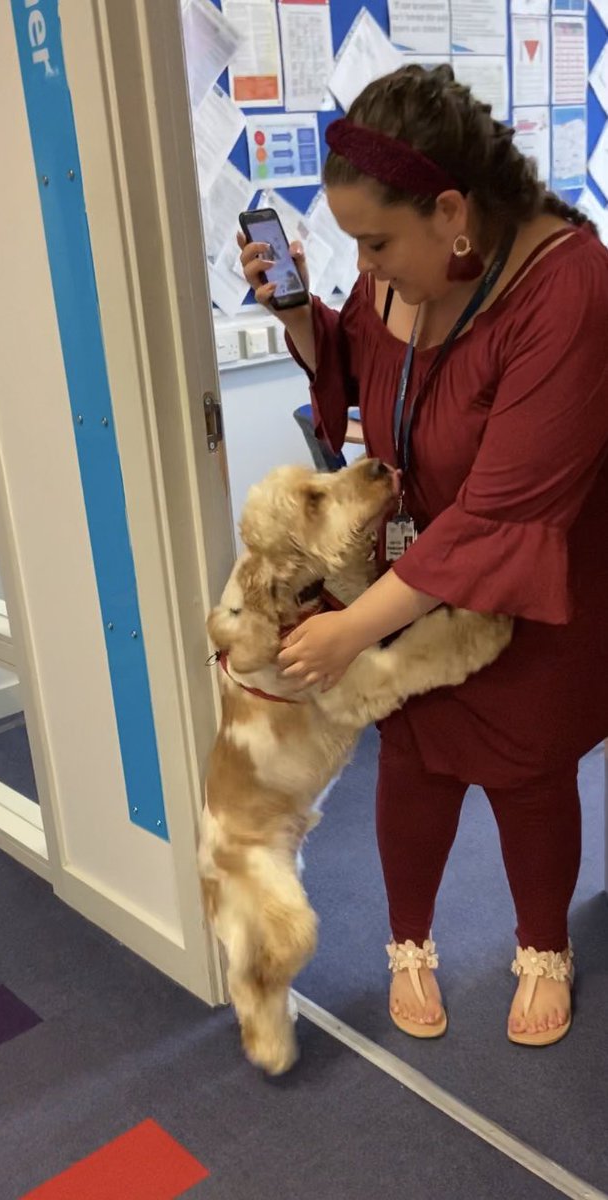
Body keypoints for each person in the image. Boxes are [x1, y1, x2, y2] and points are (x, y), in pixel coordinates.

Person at [237, 64, 608, 1046]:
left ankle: (542, 947)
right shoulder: (403, 271)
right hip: (413, 558)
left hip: (524, 569)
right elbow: (360, 367)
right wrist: (292, 314)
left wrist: (357, 625)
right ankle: (410, 942)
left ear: (451, 210)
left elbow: (506, 509)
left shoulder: (567, 285)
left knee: (528, 770)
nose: (367, 264)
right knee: (416, 757)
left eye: (375, 241)